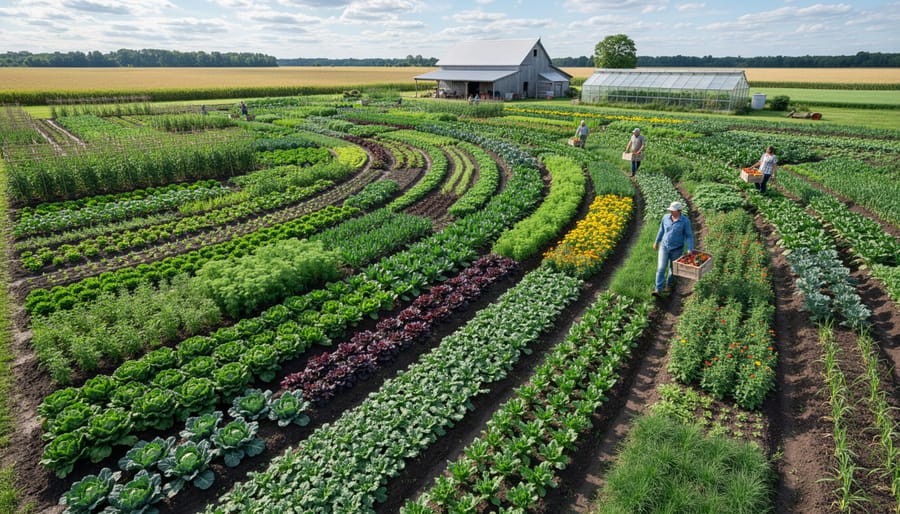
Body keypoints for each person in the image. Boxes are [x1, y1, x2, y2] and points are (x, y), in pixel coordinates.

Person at [652, 201, 694, 296]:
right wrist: (656, 242)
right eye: (670, 210)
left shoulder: (685, 221)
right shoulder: (665, 218)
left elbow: (689, 236)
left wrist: (690, 248)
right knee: (661, 268)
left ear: (679, 211)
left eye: (673, 211)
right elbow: (661, 230)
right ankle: (658, 289)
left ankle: (669, 285)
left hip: (677, 249)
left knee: (673, 269)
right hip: (664, 247)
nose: (671, 212)